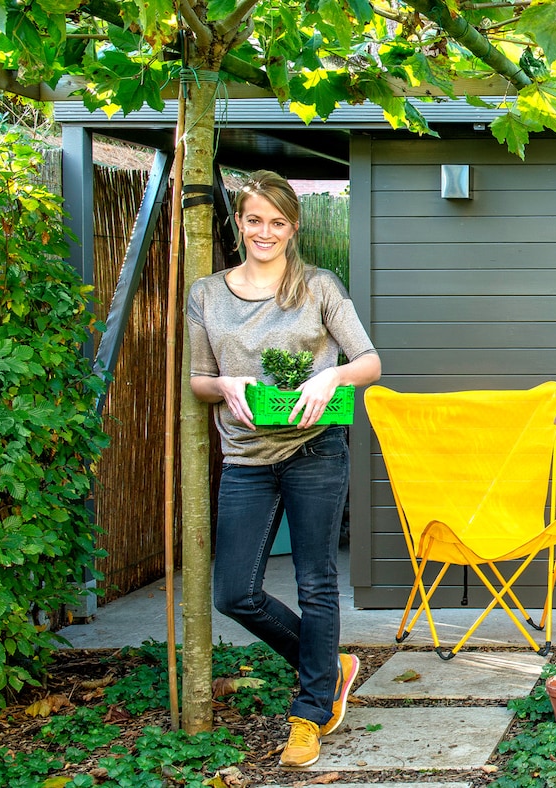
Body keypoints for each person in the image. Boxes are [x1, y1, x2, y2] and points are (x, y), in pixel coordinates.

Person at [187, 170, 381, 767]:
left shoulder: (318, 287)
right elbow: (197, 380)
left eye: (276, 222)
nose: (264, 231)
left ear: (292, 228)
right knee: (234, 592)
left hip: (315, 449)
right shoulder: (207, 293)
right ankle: (330, 664)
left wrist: (333, 374)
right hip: (245, 455)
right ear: (240, 224)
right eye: (253, 220)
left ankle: (312, 710)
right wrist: (223, 382)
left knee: (315, 582)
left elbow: (369, 361)